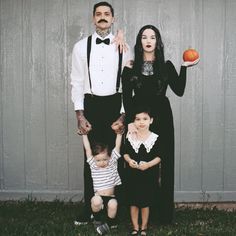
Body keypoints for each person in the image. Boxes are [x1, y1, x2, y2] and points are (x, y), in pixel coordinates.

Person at [122, 25, 199, 225]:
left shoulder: (167, 66)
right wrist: (130, 121)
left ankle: (162, 214)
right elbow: (127, 98)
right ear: (139, 42)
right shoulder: (130, 67)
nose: (148, 40)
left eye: (153, 37)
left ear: (158, 42)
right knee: (138, 162)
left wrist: (184, 66)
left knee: (162, 162)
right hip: (139, 120)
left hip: (163, 118)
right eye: (144, 37)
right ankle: (136, 213)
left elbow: (179, 90)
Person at [70, 1, 132, 224]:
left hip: (116, 105)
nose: (103, 17)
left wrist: (124, 115)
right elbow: (76, 82)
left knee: (116, 159)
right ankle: (90, 208)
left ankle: (114, 210)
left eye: (107, 14)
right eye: (99, 14)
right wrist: (80, 114)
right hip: (92, 105)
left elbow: (129, 85)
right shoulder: (80, 47)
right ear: (93, 18)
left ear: (113, 19)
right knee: (91, 160)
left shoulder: (124, 47)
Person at [123, 106, 161, 236]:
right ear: (133, 121)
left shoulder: (155, 138)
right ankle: (135, 227)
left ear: (151, 120)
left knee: (145, 203)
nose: (141, 122)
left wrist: (149, 165)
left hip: (148, 176)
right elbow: (125, 153)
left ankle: (144, 227)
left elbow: (159, 157)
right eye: (138, 119)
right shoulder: (130, 136)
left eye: (145, 119)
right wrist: (129, 161)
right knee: (133, 203)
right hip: (133, 176)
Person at [82, 132, 122, 235]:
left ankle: (109, 223)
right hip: (99, 196)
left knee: (114, 204)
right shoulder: (94, 166)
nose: (102, 162)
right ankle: (97, 220)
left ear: (109, 157)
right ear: (94, 160)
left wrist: (119, 134)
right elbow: (87, 149)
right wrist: (84, 135)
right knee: (95, 201)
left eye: (105, 159)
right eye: (98, 160)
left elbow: (117, 146)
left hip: (111, 196)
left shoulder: (112, 164)